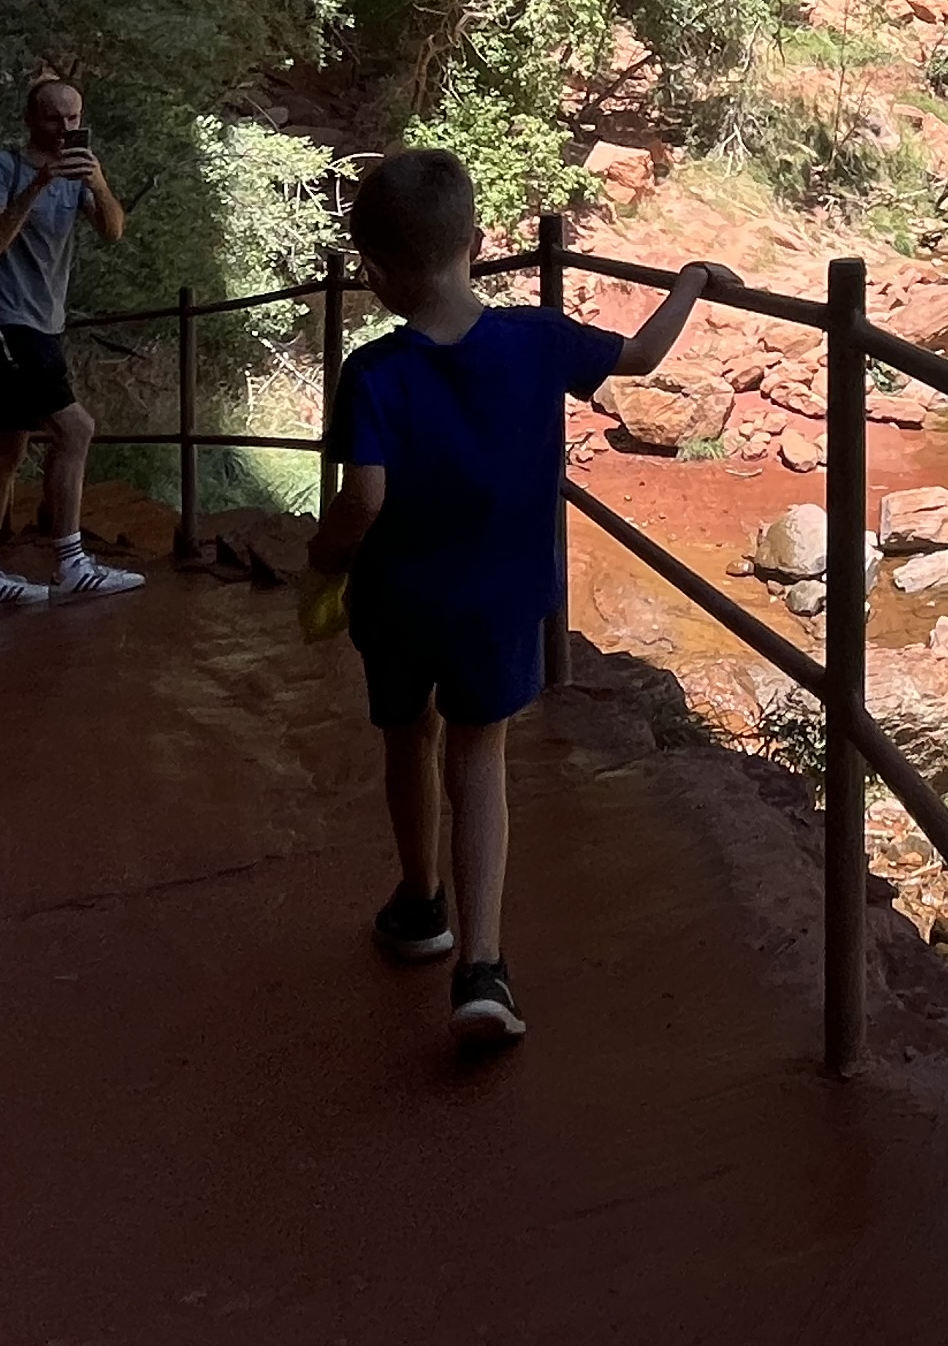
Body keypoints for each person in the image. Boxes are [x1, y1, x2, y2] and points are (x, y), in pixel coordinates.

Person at [309, 148, 735, 1050]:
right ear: (476, 242)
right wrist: (691, 280)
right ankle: (483, 968)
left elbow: (364, 497)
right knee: (479, 757)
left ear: (374, 275)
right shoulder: (538, 338)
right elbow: (644, 356)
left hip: (398, 600)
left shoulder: (372, 371)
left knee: (406, 739)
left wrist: (324, 557)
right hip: (501, 600)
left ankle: (420, 905)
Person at [0, 79, 141, 617]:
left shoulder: (79, 173)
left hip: (42, 323)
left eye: (74, 118)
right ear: (32, 120)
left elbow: (113, 231)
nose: (66, 129)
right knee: (75, 428)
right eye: (55, 118)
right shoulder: (2, 167)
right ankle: (71, 565)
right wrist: (36, 186)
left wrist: (98, 183)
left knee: (6, 451)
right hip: (1, 323)